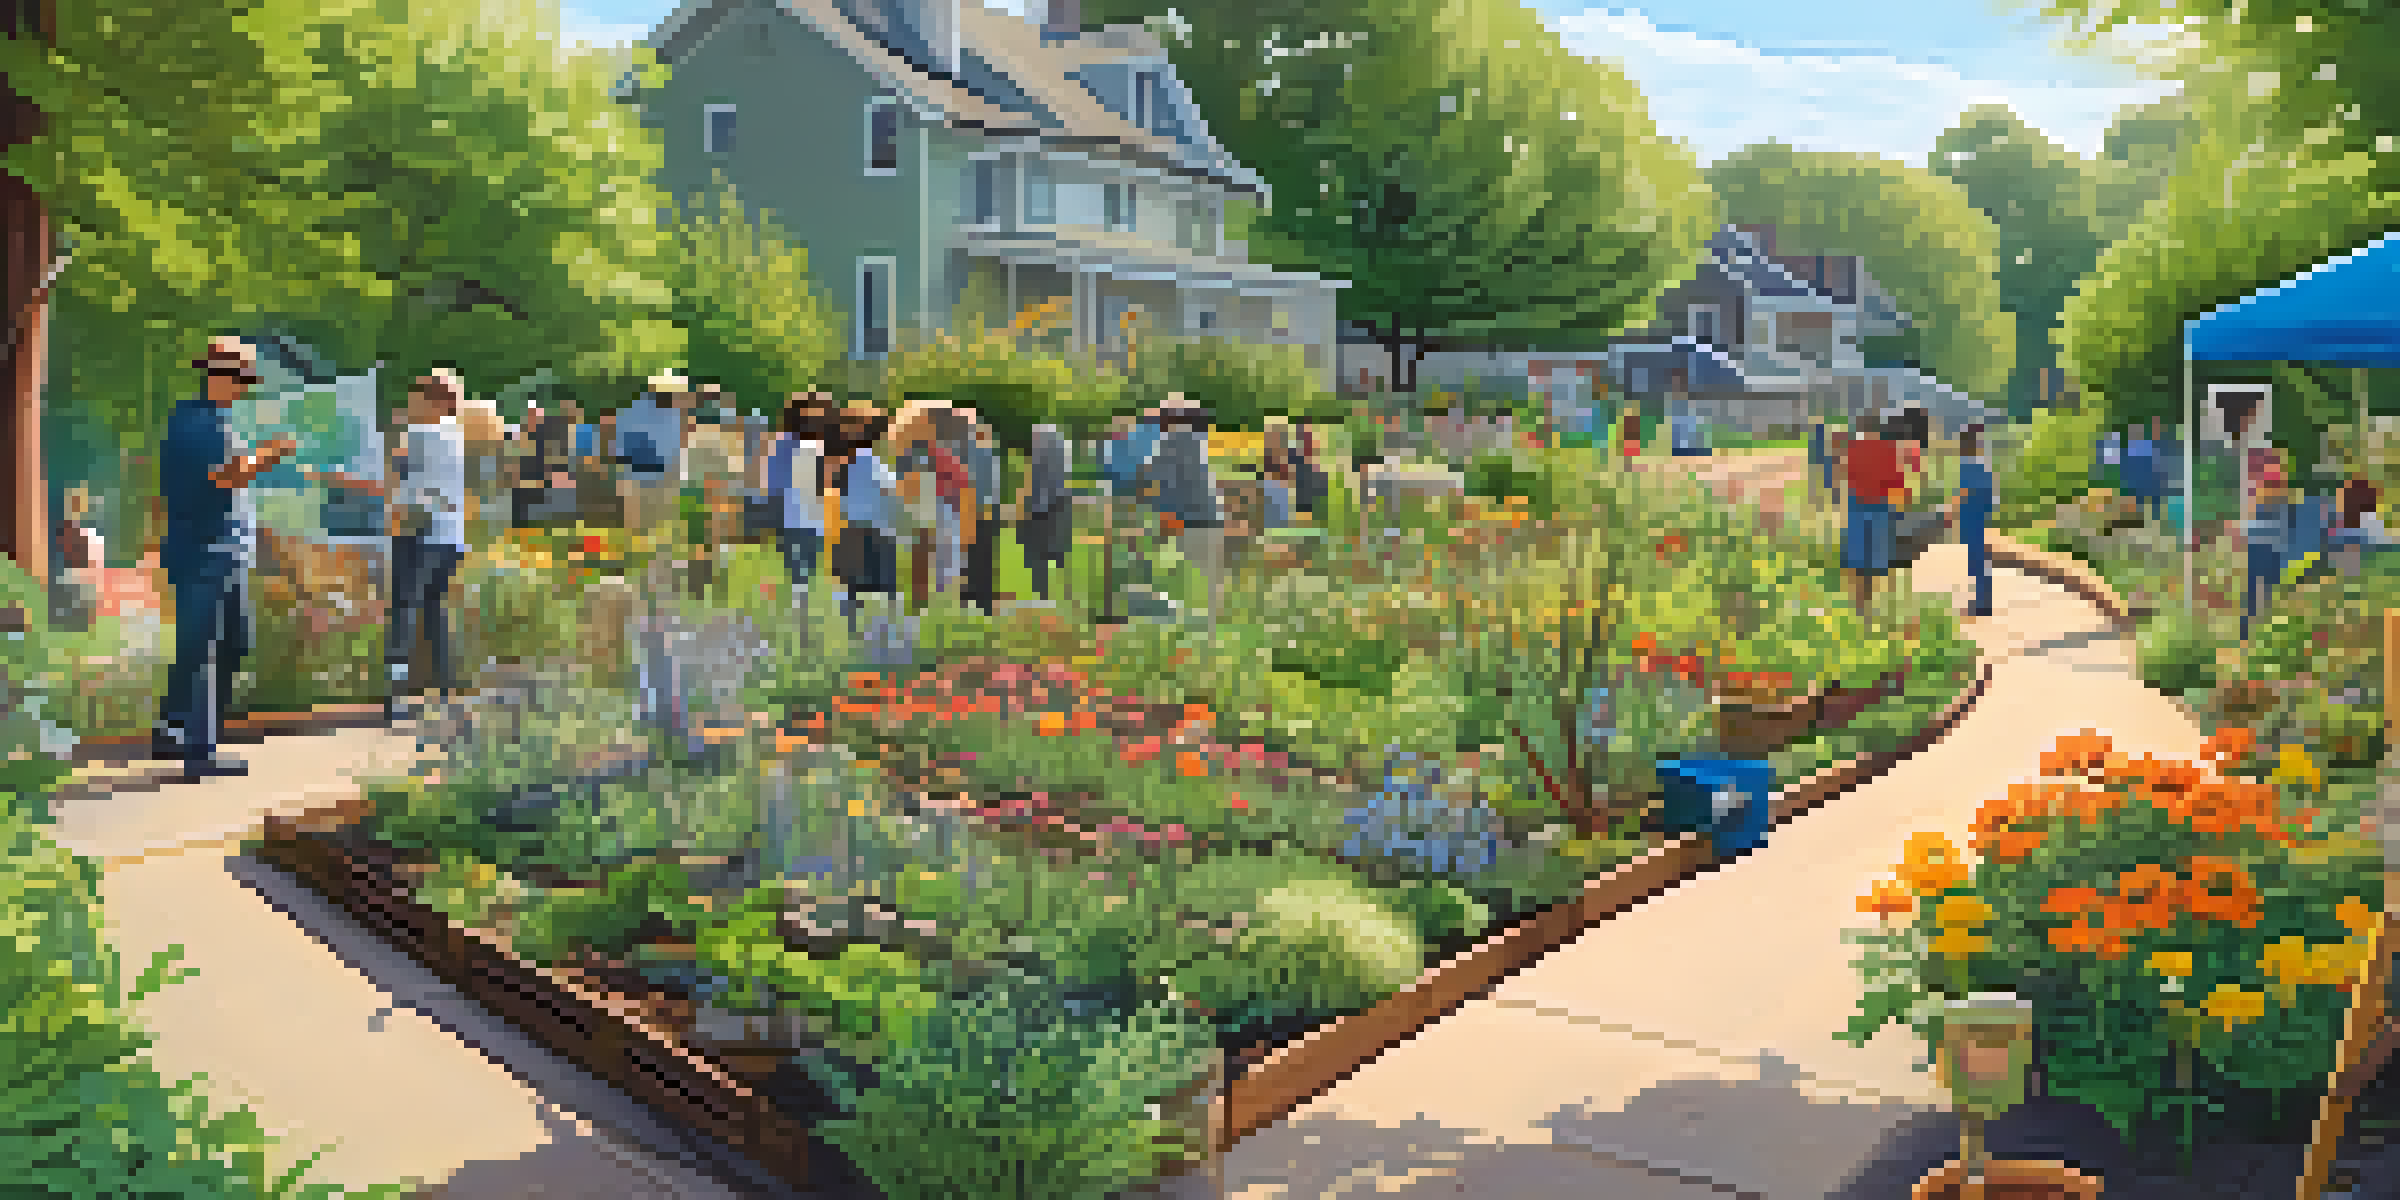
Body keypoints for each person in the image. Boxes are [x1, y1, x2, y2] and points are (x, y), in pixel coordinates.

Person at [154, 336, 300, 777]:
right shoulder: (204, 424)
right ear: (218, 377)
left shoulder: (203, 419)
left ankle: (172, 728)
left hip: (213, 548)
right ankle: (200, 750)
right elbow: (227, 477)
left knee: (219, 642)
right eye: (240, 379)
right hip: (209, 549)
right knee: (213, 646)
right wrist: (270, 454)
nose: (244, 388)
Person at [320, 371, 471, 722]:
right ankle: (445, 693)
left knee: (402, 614)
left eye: (417, 394)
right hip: (450, 536)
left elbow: (388, 485)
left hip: (418, 534)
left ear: (435, 400)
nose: (411, 400)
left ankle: (396, 698)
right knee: (434, 612)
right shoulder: (456, 436)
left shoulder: (418, 435)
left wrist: (339, 479)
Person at [759, 396, 827, 604]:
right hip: (801, 511)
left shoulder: (783, 443)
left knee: (796, 562)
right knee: (803, 561)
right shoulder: (807, 445)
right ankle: (800, 599)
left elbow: (771, 480)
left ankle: (798, 598)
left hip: (793, 510)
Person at [613, 371, 693, 543]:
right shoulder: (635, 411)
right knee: (636, 531)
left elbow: (676, 446)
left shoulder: (674, 414)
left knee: (663, 529)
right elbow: (621, 445)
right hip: (636, 479)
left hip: (664, 479)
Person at [1841, 417, 1904, 623]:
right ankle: (1877, 609)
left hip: (1857, 506)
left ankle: (1860, 608)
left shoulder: (1853, 448)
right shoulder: (1888, 449)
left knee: (1859, 561)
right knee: (1878, 560)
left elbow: (1845, 476)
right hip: (1880, 507)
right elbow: (1896, 480)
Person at [2241, 454, 2297, 641]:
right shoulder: (2261, 493)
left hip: (2270, 552)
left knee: (2264, 595)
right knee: (2256, 597)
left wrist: (2245, 529)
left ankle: (2255, 636)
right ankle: (2250, 636)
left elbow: (2278, 529)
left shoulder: (2280, 497)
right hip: (2260, 551)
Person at [1947, 424, 1996, 618]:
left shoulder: (1967, 465)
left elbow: (1963, 493)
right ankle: (1983, 600)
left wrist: (1952, 513)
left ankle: (1982, 604)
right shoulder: (1983, 465)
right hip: (1980, 517)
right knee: (1980, 559)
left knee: (1976, 560)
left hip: (1971, 517)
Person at [2122, 418, 2160, 522]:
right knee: (2139, 499)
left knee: (2150, 498)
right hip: (2138, 478)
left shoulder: (2146, 445)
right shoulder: (2130, 447)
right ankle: (2144, 518)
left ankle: (2152, 518)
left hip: (2145, 477)